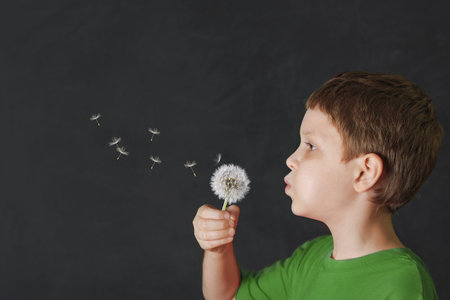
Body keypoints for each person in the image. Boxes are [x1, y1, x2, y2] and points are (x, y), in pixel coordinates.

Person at [193, 71, 443, 299]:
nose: (291, 159)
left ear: (364, 173)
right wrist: (218, 251)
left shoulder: (403, 286)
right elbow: (227, 296)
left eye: (311, 146)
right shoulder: (310, 257)